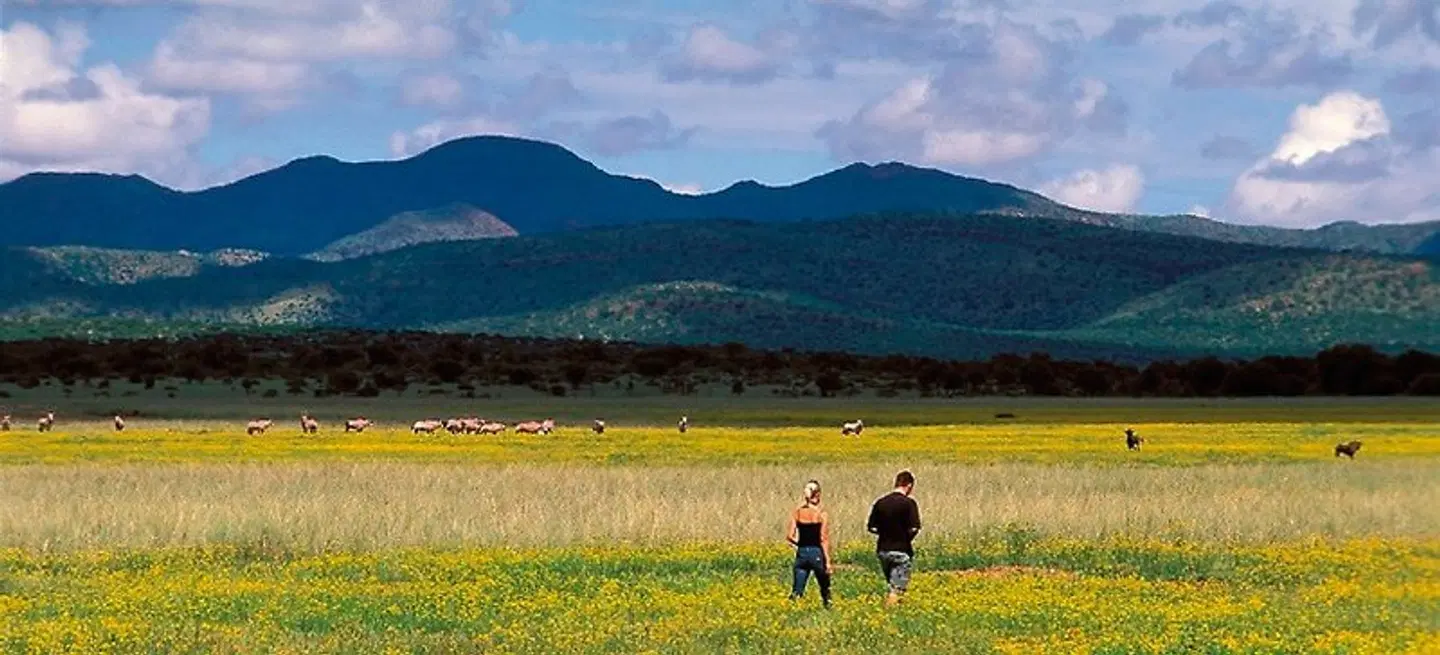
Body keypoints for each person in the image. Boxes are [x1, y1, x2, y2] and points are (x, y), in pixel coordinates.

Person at [867, 469, 920, 607]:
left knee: (893, 584)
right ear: (909, 485)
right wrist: (905, 538)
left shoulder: (880, 502)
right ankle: (888, 616)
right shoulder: (909, 503)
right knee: (896, 589)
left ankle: (897, 611)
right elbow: (914, 528)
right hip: (901, 551)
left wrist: (885, 533)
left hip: (883, 550)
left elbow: (872, 527)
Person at [786, 479, 833, 608]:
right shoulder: (822, 514)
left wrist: (800, 543)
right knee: (824, 586)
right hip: (816, 551)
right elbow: (824, 538)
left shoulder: (798, 512)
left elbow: (789, 536)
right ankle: (827, 606)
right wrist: (828, 561)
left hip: (801, 553)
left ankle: (792, 608)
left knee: (797, 589)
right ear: (817, 495)